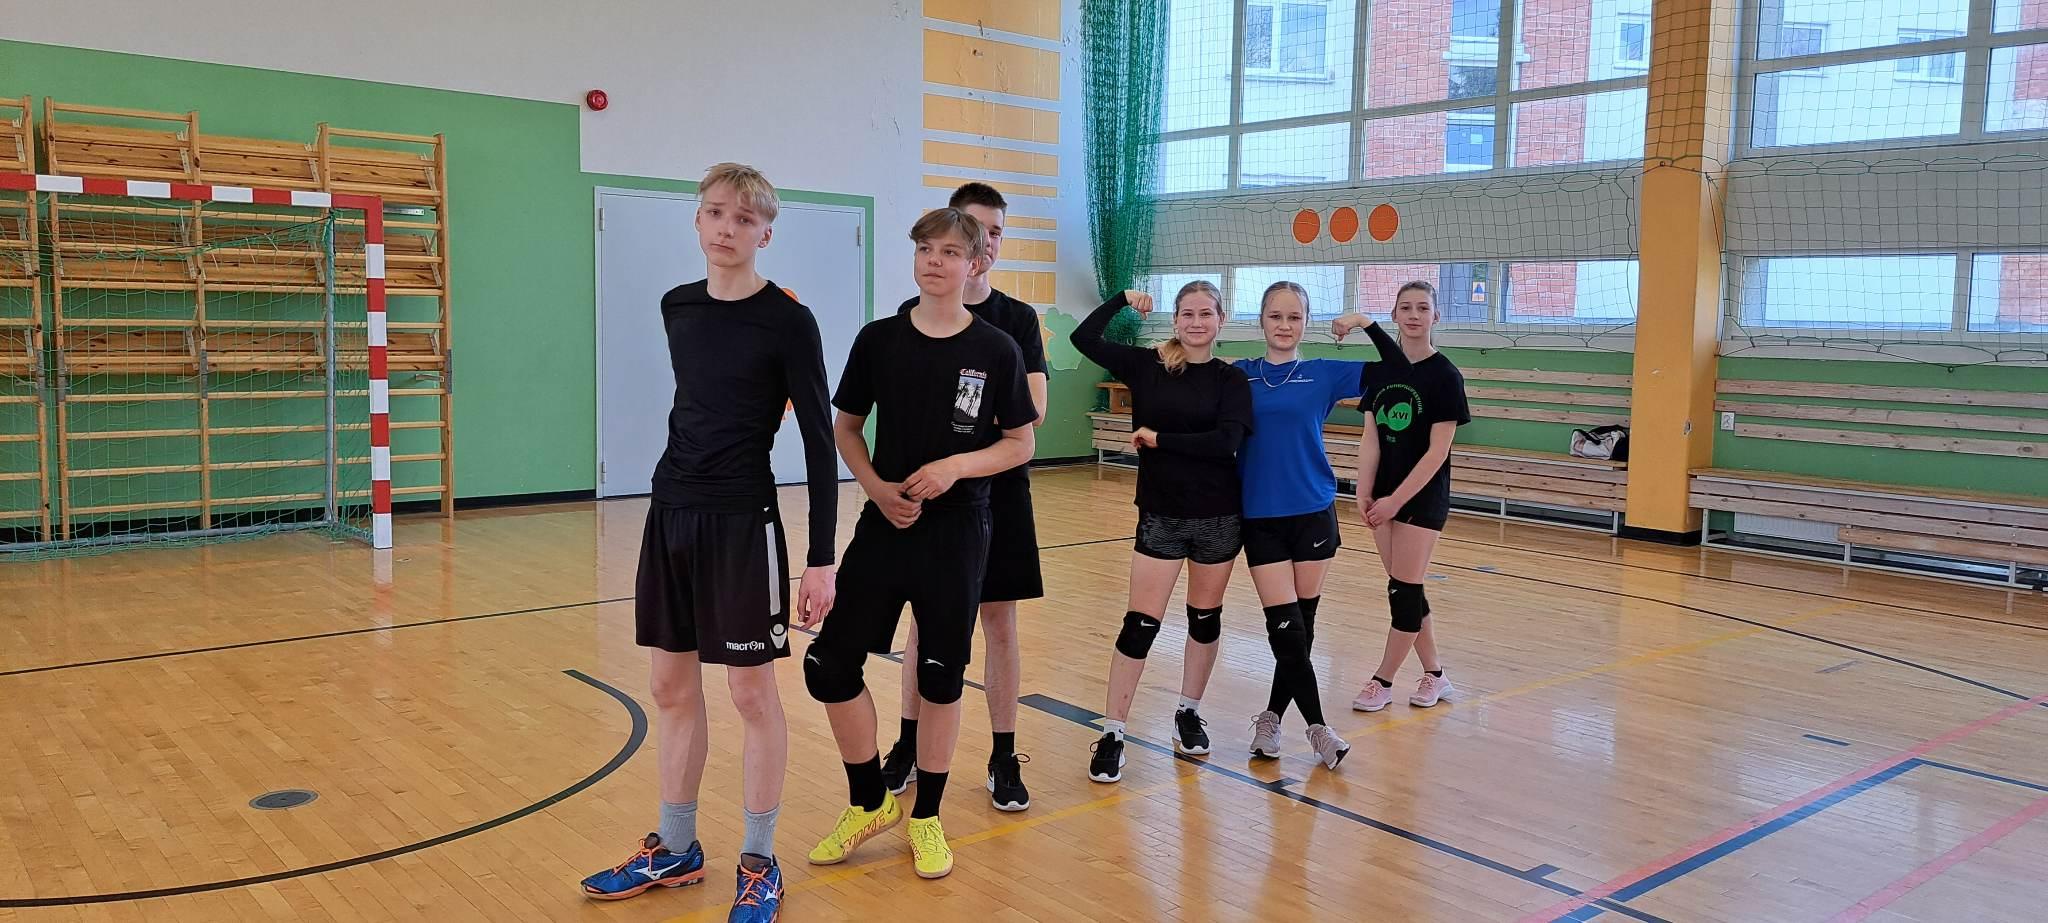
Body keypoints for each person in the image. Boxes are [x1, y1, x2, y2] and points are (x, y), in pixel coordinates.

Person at [581, 163, 837, 923]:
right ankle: (676, 845)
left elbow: (819, 441)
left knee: (751, 693)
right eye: (716, 213)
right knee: (669, 688)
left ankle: (760, 861)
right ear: (697, 221)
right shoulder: (679, 306)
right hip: (671, 512)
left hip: (742, 521)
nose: (727, 228)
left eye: (744, 218)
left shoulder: (789, 321)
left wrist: (822, 558)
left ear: (766, 234)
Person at [803, 208, 1037, 880]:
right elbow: (846, 428)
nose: (935, 261)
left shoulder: (997, 349)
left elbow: (1020, 442)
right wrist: (877, 488)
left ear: (975, 263)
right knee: (828, 665)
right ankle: (869, 800)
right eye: (925, 249)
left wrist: (955, 467)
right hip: (885, 525)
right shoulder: (879, 339)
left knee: (939, 676)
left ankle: (927, 817)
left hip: (957, 532)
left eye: (950, 252)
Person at [879, 182, 1050, 813]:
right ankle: (907, 744)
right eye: (975, 228)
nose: (986, 241)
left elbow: (1033, 412)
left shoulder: (1016, 321)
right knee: (924, 625)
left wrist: (970, 442)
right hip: (931, 500)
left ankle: (1004, 754)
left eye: (996, 231)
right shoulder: (911, 315)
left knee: (999, 624)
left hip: (999, 495)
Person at [1069, 283, 1253, 783]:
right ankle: (1113, 732)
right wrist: (1120, 300)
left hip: (1218, 517)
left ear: (1220, 320)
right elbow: (1083, 339)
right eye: (1187, 314)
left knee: (1204, 620)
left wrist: (1158, 439)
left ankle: (1188, 712)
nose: (1196, 322)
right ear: (1175, 320)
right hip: (1161, 514)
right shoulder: (1148, 365)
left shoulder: (1231, 379)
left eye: (1205, 314)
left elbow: (1226, 442)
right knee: (1140, 624)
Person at [1236, 281, 1403, 770]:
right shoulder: (1239, 375)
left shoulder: (1324, 373)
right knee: (1285, 628)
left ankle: (1271, 719)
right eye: (1275, 316)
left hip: (1312, 513)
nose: (1284, 326)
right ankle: (1319, 729)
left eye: (1294, 317)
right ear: (1261, 320)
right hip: (1260, 517)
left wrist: (1366, 322)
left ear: (1306, 323)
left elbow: (1397, 368)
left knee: (1301, 628)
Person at [1333, 282, 1470, 713]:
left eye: (1423, 308)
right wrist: (1364, 489)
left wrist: (1396, 500)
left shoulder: (1445, 376)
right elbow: (1371, 437)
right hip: (1383, 496)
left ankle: (1383, 680)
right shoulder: (1383, 372)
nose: (1414, 315)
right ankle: (1436, 674)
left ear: (1436, 316)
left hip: (1421, 498)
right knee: (1405, 587)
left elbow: (1437, 452)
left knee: (1403, 590)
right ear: (1394, 315)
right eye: (1406, 307)